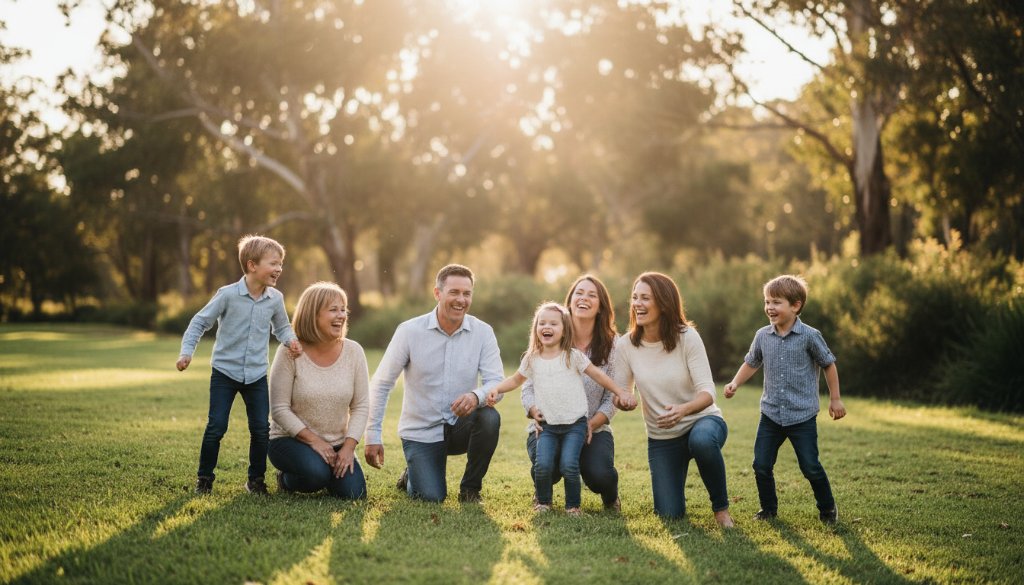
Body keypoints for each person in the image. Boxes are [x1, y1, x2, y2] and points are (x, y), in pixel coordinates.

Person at [364, 264, 505, 503]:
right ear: (437, 293)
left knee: (490, 417)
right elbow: (382, 383)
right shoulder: (409, 331)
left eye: (467, 293)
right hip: (421, 431)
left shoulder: (483, 332)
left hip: (459, 426)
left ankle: (470, 489)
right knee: (431, 496)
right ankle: (413, 473)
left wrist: (475, 396)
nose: (461, 299)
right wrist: (373, 435)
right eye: (454, 292)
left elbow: (496, 382)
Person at [176, 234, 302, 495]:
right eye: (274, 263)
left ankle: (255, 481)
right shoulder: (228, 295)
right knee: (216, 427)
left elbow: (282, 327)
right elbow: (199, 322)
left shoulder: (275, 299)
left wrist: (291, 341)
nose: (279, 269)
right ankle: (204, 479)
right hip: (224, 372)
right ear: (252, 265)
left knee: (260, 430)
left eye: (281, 264)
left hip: (256, 374)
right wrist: (186, 353)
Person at [485, 302, 636, 515]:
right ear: (536, 329)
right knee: (543, 465)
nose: (547, 327)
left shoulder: (572, 356)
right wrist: (497, 388)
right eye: (542, 323)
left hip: (575, 424)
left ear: (565, 329)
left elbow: (599, 375)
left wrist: (620, 392)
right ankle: (543, 502)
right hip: (547, 425)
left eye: (554, 323)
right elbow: (516, 380)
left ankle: (573, 506)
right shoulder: (532, 358)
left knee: (569, 465)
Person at [613, 272, 735, 527]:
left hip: (702, 421)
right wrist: (623, 401)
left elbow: (708, 393)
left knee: (701, 441)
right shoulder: (625, 346)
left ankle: (721, 510)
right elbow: (624, 392)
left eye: (645, 298)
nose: (637, 303)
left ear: (664, 303)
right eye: (635, 297)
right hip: (663, 437)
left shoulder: (687, 337)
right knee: (669, 515)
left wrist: (683, 410)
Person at [724, 274, 846, 524]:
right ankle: (768, 509)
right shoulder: (762, 336)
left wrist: (835, 399)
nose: (769, 307)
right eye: (767, 302)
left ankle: (827, 508)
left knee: (810, 466)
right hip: (770, 414)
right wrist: (735, 382)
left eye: (776, 302)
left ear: (796, 305)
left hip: (802, 415)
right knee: (761, 464)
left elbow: (829, 364)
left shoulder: (809, 336)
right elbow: (751, 362)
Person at [522, 275, 624, 512]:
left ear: (601, 307)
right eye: (579, 293)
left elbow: (612, 396)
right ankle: (542, 493)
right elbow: (527, 386)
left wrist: (590, 424)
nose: (584, 298)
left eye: (591, 295)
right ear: (569, 302)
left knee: (599, 474)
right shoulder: (550, 334)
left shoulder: (613, 345)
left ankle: (611, 498)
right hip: (549, 425)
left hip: (591, 427)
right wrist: (533, 410)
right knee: (548, 464)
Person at [268, 282, 369, 499]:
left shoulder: (354, 352)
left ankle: (329, 471)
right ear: (312, 315)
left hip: (337, 443)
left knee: (354, 495)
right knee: (316, 475)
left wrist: (348, 447)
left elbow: (361, 406)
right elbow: (279, 409)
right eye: (333, 310)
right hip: (290, 440)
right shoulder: (289, 352)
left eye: (343, 309)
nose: (341, 315)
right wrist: (315, 441)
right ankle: (285, 480)